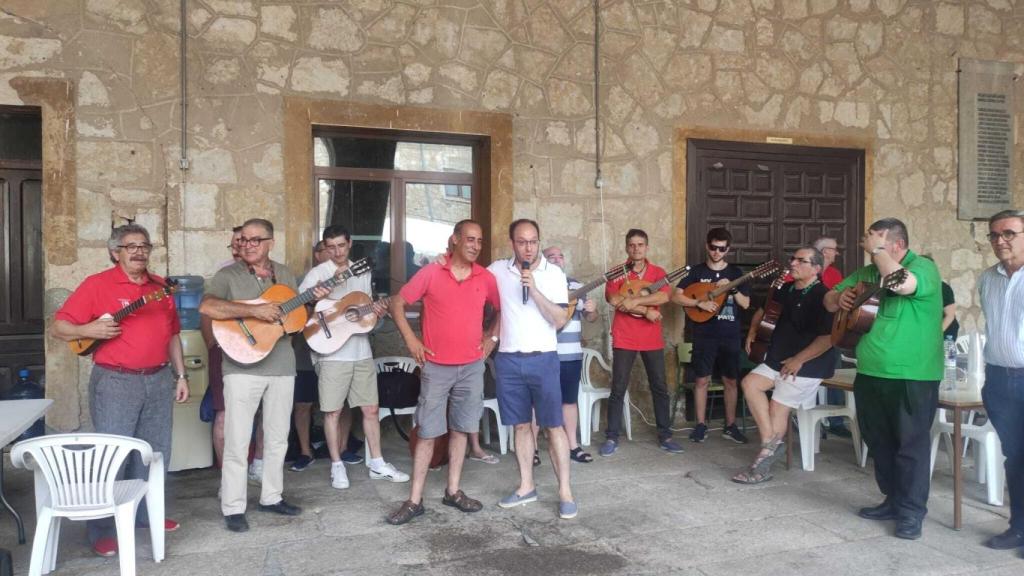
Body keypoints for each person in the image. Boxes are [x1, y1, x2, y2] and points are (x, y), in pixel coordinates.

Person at [51, 224, 188, 557]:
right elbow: (59, 326)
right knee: (113, 457)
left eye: (144, 246)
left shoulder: (160, 289)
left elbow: (172, 336)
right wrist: (89, 328)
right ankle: (101, 527)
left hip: (157, 380)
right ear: (116, 252)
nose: (139, 252)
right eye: (131, 246)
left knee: (155, 454)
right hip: (116, 381)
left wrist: (181, 375)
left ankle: (144, 516)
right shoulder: (97, 285)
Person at [199, 218, 329, 533]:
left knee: (276, 438)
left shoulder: (284, 274)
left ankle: (271, 496)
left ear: (271, 242)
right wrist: (252, 311)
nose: (248, 245)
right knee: (237, 439)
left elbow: (294, 318)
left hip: (282, 365)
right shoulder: (227, 274)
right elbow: (208, 306)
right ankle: (233, 506)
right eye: (244, 240)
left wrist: (311, 301)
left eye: (256, 240)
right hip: (241, 367)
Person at [823, 217, 942, 540]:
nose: (868, 247)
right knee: (879, 442)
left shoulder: (924, 268)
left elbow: (902, 283)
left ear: (898, 245)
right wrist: (840, 300)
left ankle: (911, 512)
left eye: (876, 242)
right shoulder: (866, 273)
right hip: (871, 372)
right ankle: (892, 499)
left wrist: (877, 252)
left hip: (912, 374)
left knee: (910, 446)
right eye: (869, 242)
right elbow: (829, 298)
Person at [386, 219, 500, 525]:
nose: (476, 245)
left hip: (472, 366)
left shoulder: (485, 277)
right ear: (455, 240)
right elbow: (397, 302)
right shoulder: (432, 272)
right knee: (427, 432)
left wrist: (491, 337)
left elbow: (502, 309)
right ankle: (414, 500)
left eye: (480, 240)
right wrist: (411, 339)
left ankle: (453, 490)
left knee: (462, 428)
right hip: (436, 367)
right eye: (470, 239)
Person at [299, 225, 408, 488]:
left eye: (341, 246)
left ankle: (377, 463)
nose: (336, 252)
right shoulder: (318, 273)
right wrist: (315, 301)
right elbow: (299, 310)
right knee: (332, 411)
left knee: (370, 409)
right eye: (330, 247)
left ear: (349, 244)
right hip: (331, 353)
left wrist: (377, 311)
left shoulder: (363, 270)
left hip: (360, 351)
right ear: (325, 247)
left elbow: (363, 312)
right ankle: (337, 466)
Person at [490, 219, 577, 519]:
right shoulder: (498, 271)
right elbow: (468, 278)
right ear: (511, 242)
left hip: (544, 359)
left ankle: (565, 491)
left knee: (554, 426)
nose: (528, 248)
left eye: (533, 241)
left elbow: (559, 320)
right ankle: (526, 485)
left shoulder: (553, 274)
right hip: (509, 360)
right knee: (521, 425)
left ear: (539, 241)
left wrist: (535, 290)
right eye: (522, 242)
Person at [734, 247, 836, 483]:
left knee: (777, 407)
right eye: (793, 258)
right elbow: (763, 310)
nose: (794, 263)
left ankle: (762, 466)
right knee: (750, 383)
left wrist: (799, 359)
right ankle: (772, 443)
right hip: (778, 357)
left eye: (802, 261)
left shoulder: (824, 296)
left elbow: (829, 338)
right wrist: (752, 332)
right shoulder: (785, 289)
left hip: (808, 364)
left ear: (816, 269)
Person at [598, 229, 682, 456]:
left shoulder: (657, 273)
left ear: (647, 247)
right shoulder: (616, 273)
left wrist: (633, 300)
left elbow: (663, 296)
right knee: (618, 387)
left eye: (641, 244)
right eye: (632, 245)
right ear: (626, 247)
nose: (636, 249)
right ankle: (612, 437)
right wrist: (646, 310)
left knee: (660, 387)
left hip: (651, 338)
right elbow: (614, 299)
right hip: (624, 335)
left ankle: (665, 435)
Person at [674, 228, 751, 444]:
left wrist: (732, 290)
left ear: (728, 249)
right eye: (714, 247)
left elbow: (746, 304)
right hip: (704, 334)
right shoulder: (696, 272)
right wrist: (699, 302)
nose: (717, 252)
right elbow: (676, 296)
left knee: (731, 381)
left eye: (722, 248)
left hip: (730, 335)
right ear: (707, 246)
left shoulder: (736, 274)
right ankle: (700, 425)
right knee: (701, 380)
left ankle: (730, 425)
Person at [978, 209, 1024, 553]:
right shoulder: (987, 279)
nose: (1000, 241)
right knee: (1015, 456)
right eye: (994, 235)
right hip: (998, 379)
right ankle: (1018, 528)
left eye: (1008, 233)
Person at [543, 245, 599, 463]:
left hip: (571, 355)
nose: (557, 259)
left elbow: (591, 319)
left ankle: (572, 446)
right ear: (545, 261)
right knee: (538, 402)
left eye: (560, 255)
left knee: (569, 400)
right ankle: (534, 450)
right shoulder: (540, 284)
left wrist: (592, 310)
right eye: (551, 257)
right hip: (545, 354)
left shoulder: (576, 284)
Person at [289, 240, 328, 472]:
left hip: (335, 351)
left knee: (339, 405)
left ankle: (342, 449)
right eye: (327, 250)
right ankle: (305, 450)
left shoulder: (348, 278)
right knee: (303, 404)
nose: (333, 254)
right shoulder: (301, 283)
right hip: (305, 351)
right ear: (317, 255)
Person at [813, 236, 850, 437]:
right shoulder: (805, 268)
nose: (837, 253)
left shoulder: (835, 274)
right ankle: (808, 420)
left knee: (834, 373)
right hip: (808, 332)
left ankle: (835, 421)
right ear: (825, 251)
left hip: (831, 331)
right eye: (834, 250)